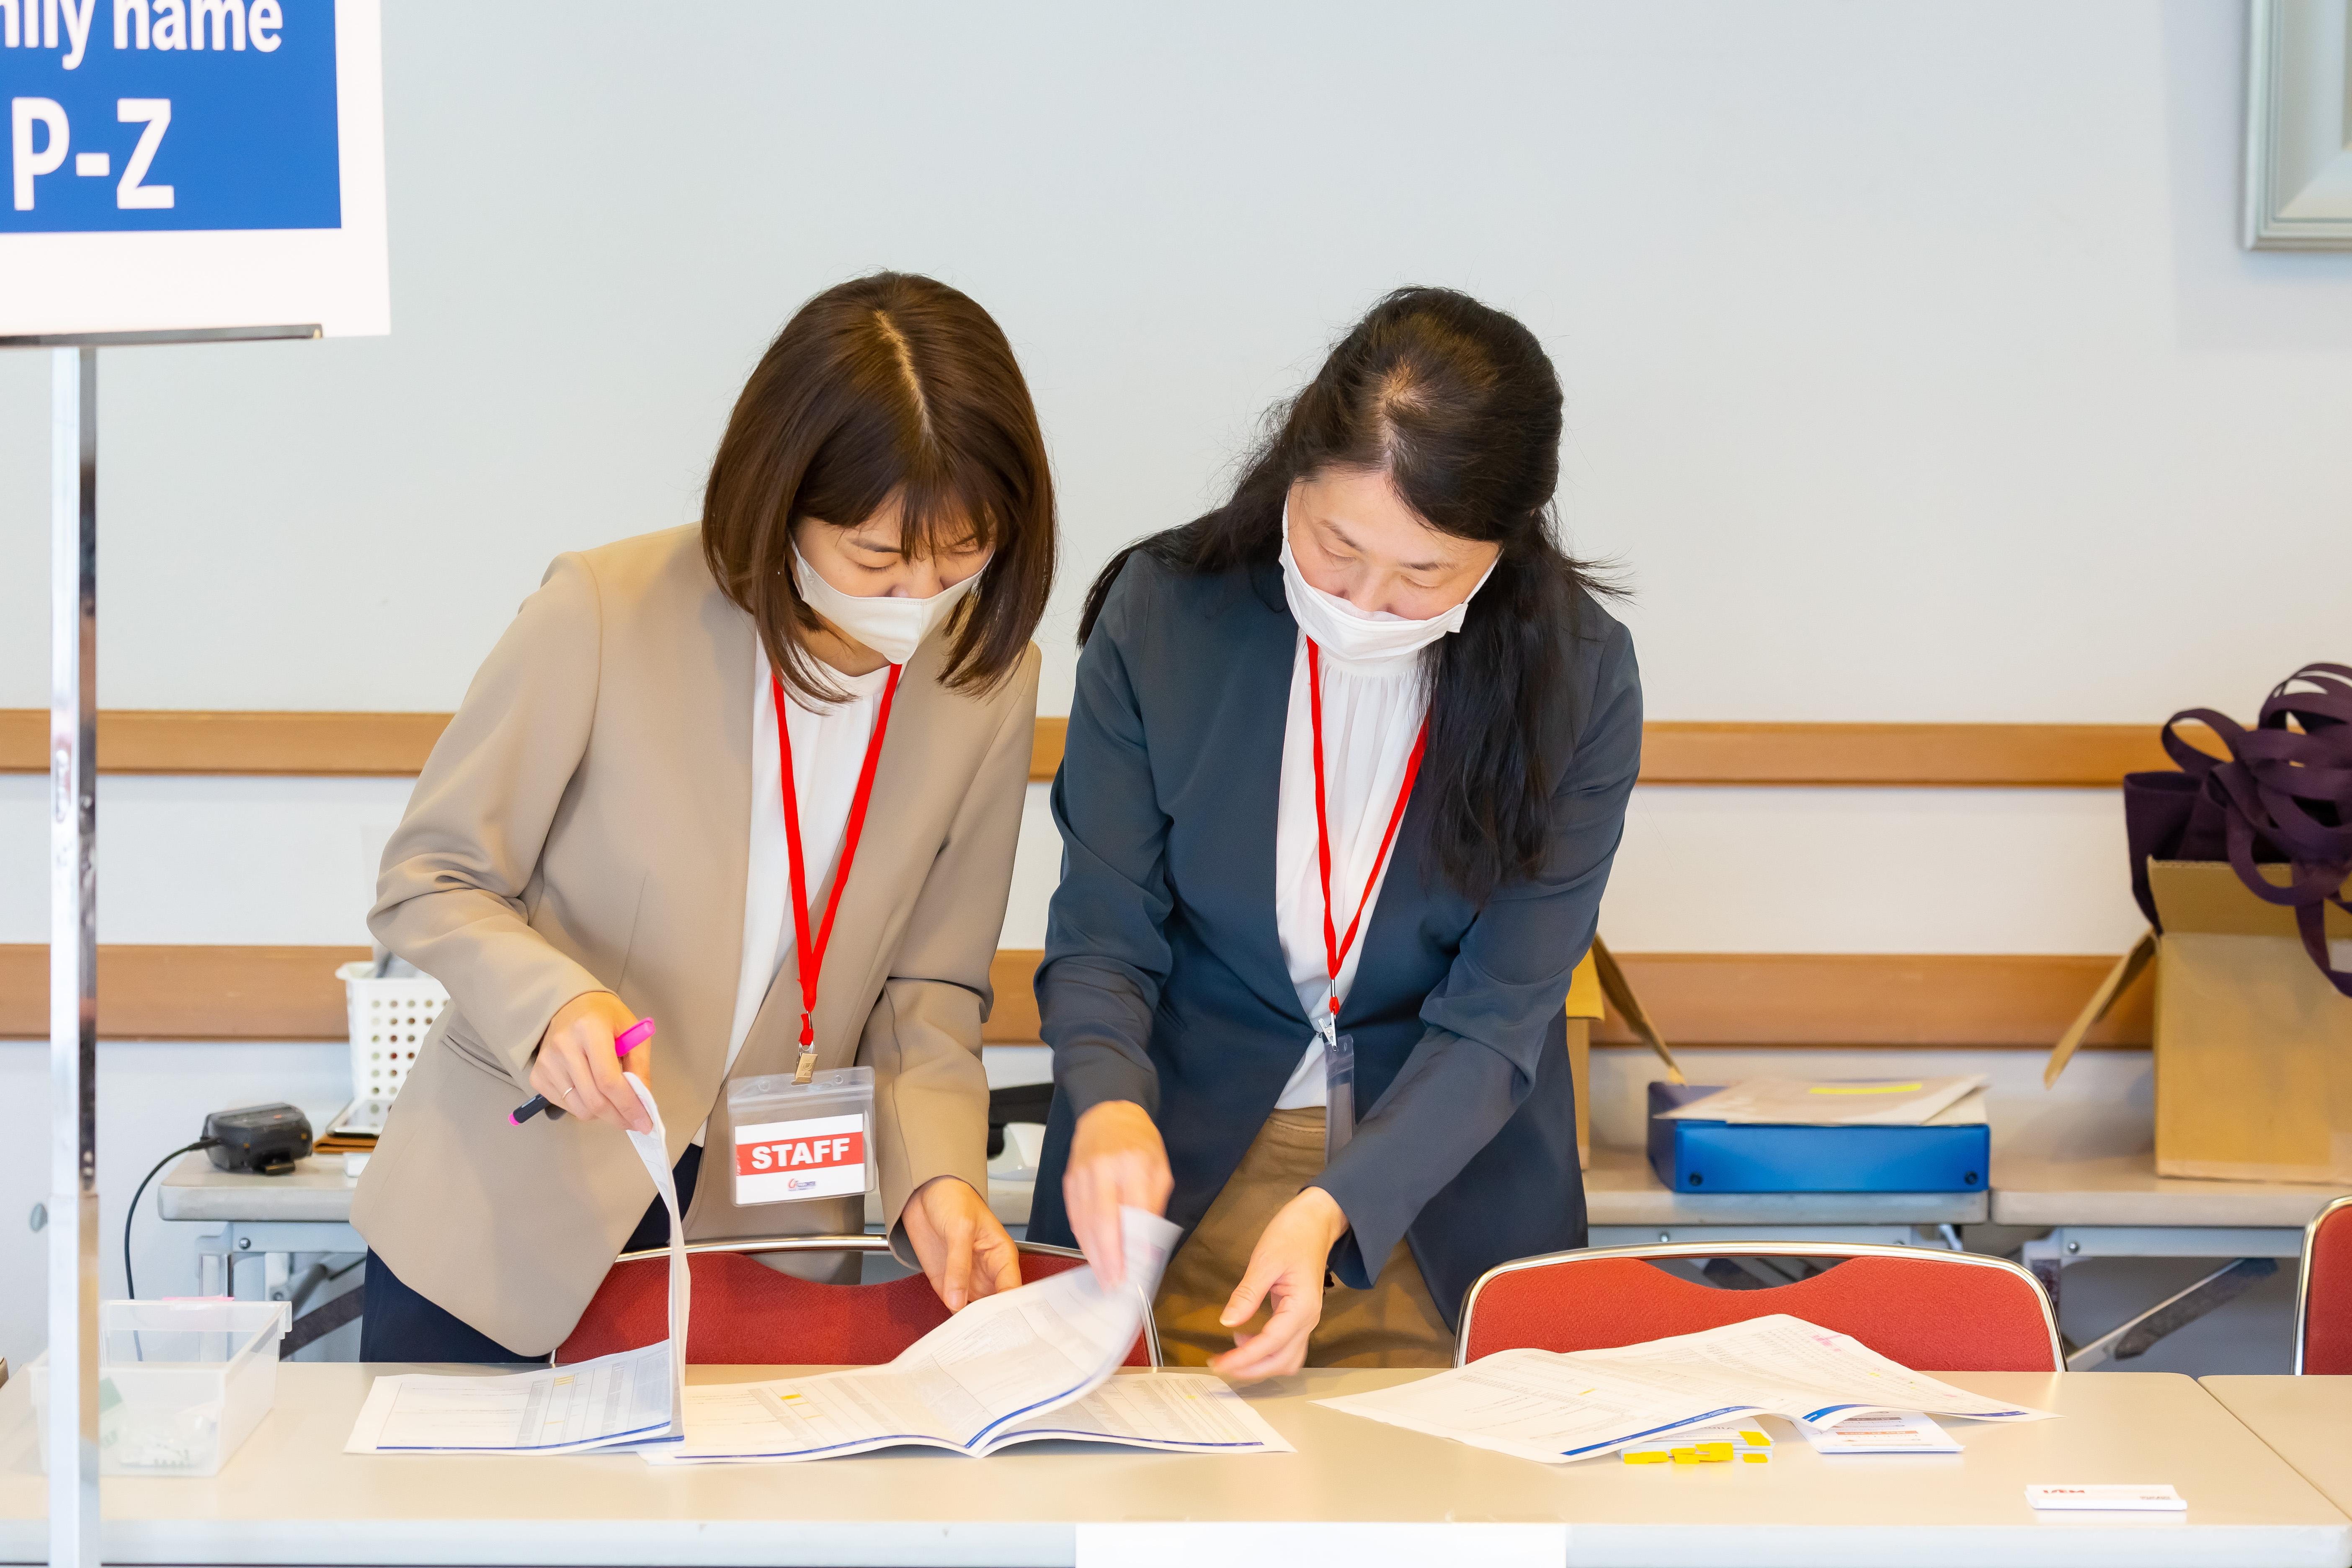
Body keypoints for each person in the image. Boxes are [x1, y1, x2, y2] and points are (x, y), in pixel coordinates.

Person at [353, 272, 1056, 1361]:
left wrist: (938, 1176)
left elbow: (931, 989)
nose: (918, 599)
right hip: (509, 1219)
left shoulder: (985, 682)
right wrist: (552, 1005)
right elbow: (434, 878)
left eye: (962, 552)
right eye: (876, 557)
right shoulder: (606, 609)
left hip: (766, 1245)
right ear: (781, 496)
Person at [1026, 287, 1640, 1377]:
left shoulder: (1577, 677)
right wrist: (1109, 1099)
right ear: (1294, 476)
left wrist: (1331, 1209)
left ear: (1502, 549)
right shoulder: (1167, 614)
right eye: (1336, 546)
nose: (1364, 600)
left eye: (1424, 575)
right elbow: (1103, 934)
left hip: (1440, 1197)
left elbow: (1499, 1018)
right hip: (1175, 1179)